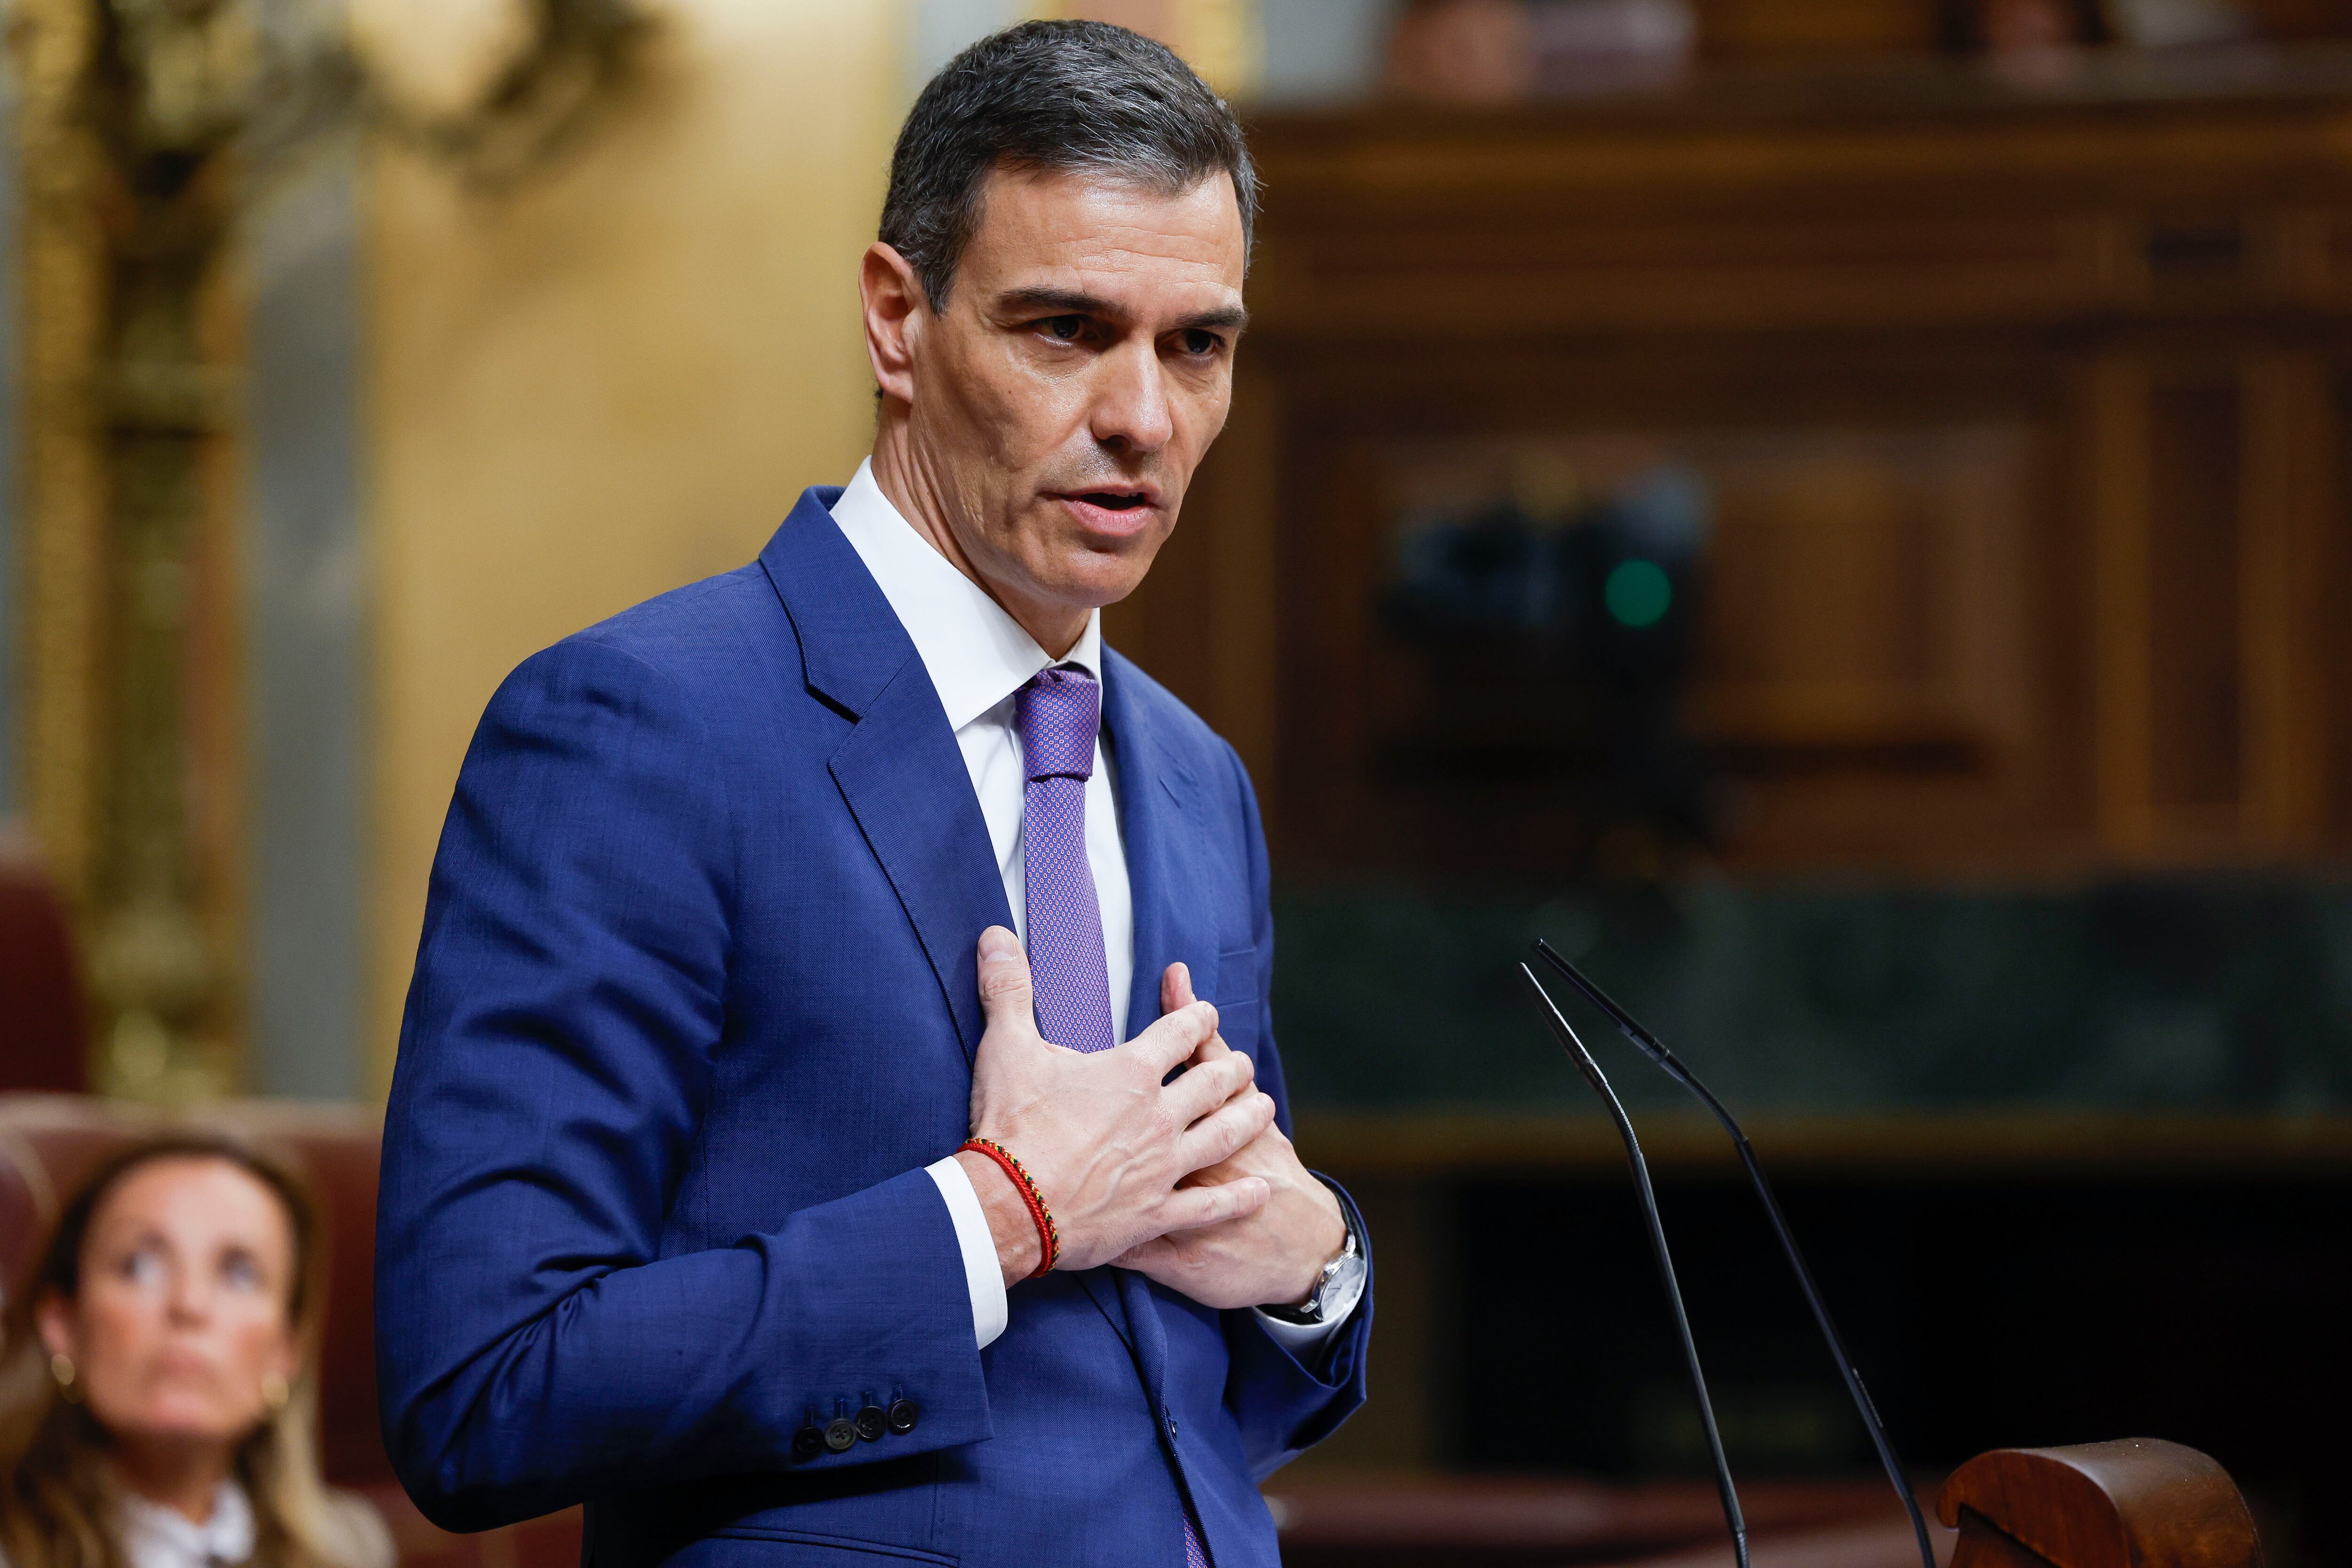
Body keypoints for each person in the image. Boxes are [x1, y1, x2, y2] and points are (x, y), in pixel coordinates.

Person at [377, 20, 1370, 1568]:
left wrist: (1317, 1266)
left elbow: (1179, 1394)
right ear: (898, 321)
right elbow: (483, 1385)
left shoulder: (1195, 777)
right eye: (1066, 330)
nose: (1144, 417)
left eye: (1197, 345)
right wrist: (999, 1213)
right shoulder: (639, 725)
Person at [0, 1137, 391, 1568]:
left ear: (286, 1349)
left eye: (240, 1273)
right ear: (63, 1325)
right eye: (139, 1266)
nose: (189, 1304)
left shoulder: (349, 1549)